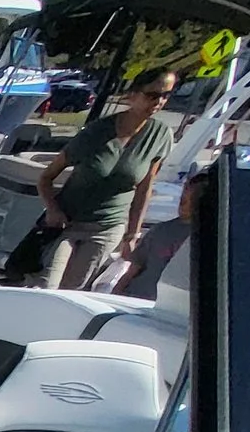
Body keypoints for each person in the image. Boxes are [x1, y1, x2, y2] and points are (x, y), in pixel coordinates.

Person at [35, 71, 179, 291]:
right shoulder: (96, 132)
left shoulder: (160, 135)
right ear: (133, 95)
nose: (159, 101)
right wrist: (52, 210)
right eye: (152, 95)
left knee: (73, 291)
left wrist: (132, 235)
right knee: (47, 285)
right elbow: (46, 178)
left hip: (108, 228)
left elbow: (144, 188)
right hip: (67, 224)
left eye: (166, 95)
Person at [116, 169, 201, 301]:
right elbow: (133, 269)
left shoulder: (211, 237)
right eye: (183, 198)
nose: (185, 200)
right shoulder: (160, 230)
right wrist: (116, 293)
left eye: (193, 197)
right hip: (136, 297)